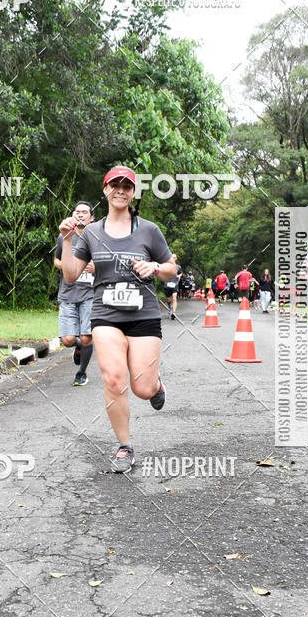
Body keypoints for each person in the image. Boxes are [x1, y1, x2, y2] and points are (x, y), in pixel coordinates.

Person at [59, 166, 176, 473]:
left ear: (133, 192)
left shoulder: (148, 230)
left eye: (127, 186)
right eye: (115, 185)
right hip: (105, 316)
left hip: (144, 316)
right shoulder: (92, 232)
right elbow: (71, 275)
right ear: (105, 189)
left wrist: (155, 268)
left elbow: (172, 268)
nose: (120, 190)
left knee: (142, 388)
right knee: (113, 379)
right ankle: (125, 447)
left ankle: (155, 386)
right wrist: (68, 240)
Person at [54, 201, 95, 385]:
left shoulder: (97, 238)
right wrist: (68, 266)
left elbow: (108, 263)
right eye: (77, 212)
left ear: (91, 217)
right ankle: (79, 347)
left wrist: (96, 267)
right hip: (68, 292)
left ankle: (82, 372)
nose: (80, 215)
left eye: (84, 212)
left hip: (90, 293)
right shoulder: (65, 236)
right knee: (68, 340)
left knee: (86, 337)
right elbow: (56, 260)